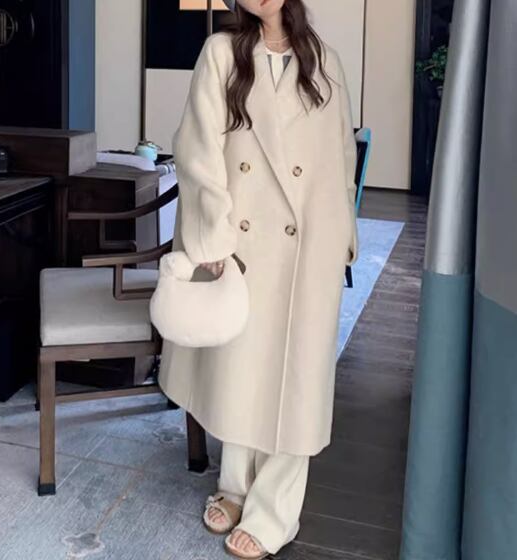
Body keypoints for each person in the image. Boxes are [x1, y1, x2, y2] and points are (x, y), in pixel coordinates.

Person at [158, 0, 359, 557]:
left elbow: (340, 154)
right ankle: (235, 486)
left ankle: (275, 512)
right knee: (243, 369)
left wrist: (342, 233)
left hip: (308, 244)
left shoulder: (325, 61)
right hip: (243, 241)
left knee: (296, 378)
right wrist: (212, 235)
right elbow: (198, 147)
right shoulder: (222, 52)